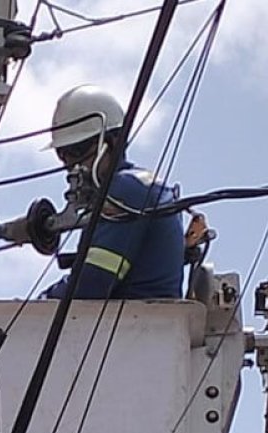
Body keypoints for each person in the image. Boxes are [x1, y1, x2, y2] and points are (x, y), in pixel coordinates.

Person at [41, 85, 185, 300]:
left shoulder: (125, 190)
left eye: (77, 150)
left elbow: (90, 284)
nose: (71, 163)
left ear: (114, 142)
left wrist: (43, 300)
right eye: (62, 154)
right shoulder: (140, 185)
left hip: (134, 326)